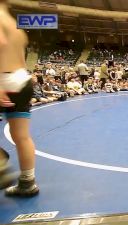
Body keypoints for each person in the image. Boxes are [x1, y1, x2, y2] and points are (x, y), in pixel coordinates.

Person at [0, 0, 39, 196]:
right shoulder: (13, 23)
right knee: (22, 136)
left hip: (4, 78)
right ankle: (27, 182)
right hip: (21, 78)